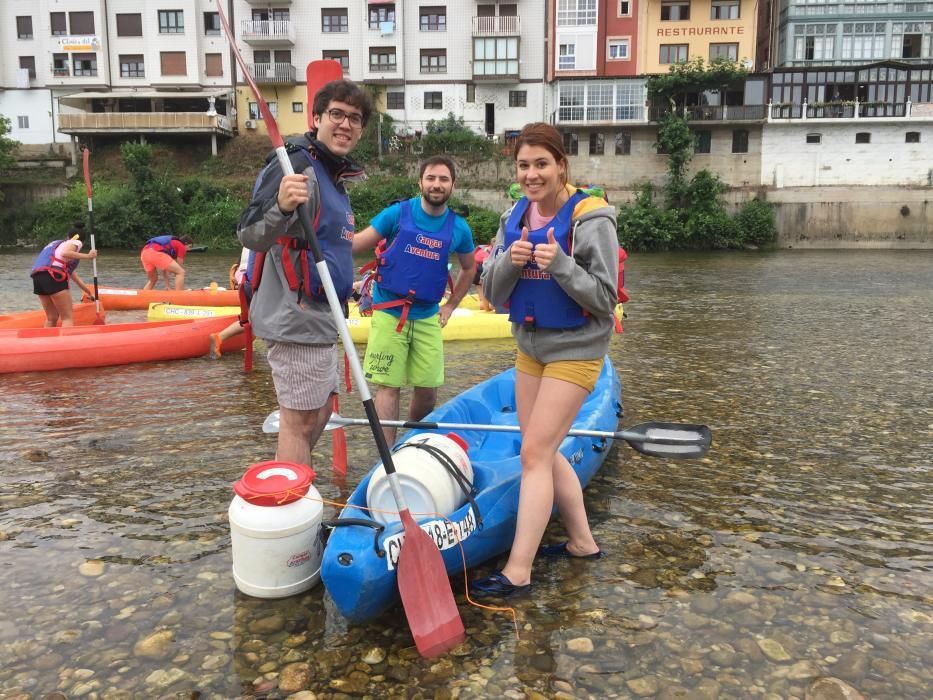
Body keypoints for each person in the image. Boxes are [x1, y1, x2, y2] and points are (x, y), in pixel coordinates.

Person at [469, 122, 619, 598]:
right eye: (523, 166)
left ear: (561, 166)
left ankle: (518, 570)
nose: (531, 175)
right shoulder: (514, 214)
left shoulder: (592, 218)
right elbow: (490, 293)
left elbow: (604, 297)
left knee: (533, 454)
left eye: (541, 164)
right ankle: (581, 542)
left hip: (576, 349)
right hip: (531, 347)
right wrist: (506, 264)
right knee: (544, 450)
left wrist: (560, 264)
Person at [237, 79, 372, 467]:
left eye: (355, 119)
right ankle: (292, 501)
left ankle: (289, 474)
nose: (346, 125)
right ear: (317, 118)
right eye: (337, 115)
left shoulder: (333, 177)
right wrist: (279, 205)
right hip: (294, 315)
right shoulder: (293, 162)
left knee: (323, 411)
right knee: (298, 422)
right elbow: (249, 232)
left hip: (324, 317)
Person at [351, 156, 476, 444]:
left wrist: (451, 305)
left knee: (428, 389)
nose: (437, 184)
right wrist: (326, 234)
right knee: (388, 386)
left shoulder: (459, 228)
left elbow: (470, 268)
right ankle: (387, 455)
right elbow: (357, 243)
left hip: (427, 315)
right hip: (388, 309)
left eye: (444, 179)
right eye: (431, 178)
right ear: (420, 182)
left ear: (452, 186)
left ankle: (410, 441)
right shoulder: (396, 214)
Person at [30, 223, 98, 327]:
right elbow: (65, 253)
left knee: (51, 318)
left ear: (67, 236)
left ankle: (47, 342)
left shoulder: (56, 245)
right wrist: (88, 256)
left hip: (38, 277)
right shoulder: (76, 241)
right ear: (82, 241)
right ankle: (65, 342)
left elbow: (74, 277)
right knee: (67, 318)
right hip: (53, 276)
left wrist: (88, 292)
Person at [210, 247, 252, 359]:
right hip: (251, 281)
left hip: (245, 280)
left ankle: (219, 337)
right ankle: (219, 337)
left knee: (251, 319)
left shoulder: (250, 237)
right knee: (255, 319)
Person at [473, 243, 492, 311]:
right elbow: (486, 265)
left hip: (474, 269)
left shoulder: (483, 248)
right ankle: (486, 306)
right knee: (487, 294)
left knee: (481, 295)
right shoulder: (490, 251)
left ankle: (483, 303)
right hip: (481, 270)